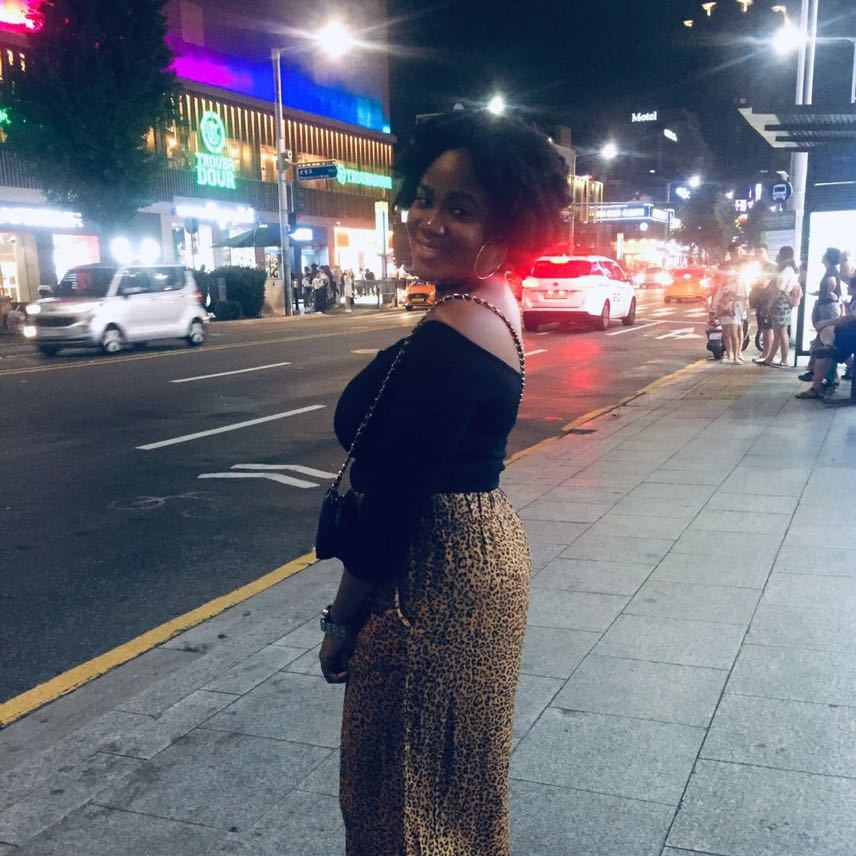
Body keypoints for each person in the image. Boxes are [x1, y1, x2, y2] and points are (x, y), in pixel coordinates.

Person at [319, 110, 570, 855]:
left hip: (432, 575)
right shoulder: (489, 302)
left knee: (398, 795)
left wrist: (341, 623)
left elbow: (394, 506)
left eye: (460, 208)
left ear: (503, 226)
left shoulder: (453, 335)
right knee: (454, 790)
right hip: (475, 557)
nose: (429, 220)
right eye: (424, 197)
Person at [796, 273, 856, 399]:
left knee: (826, 332)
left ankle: (829, 350)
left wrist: (826, 322)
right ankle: (829, 349)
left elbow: (850, 318)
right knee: (824, 348)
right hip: (850, 333)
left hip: (852, 335)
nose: (846, 287)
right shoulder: (852, 299)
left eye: (849, 285)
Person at [758, 246, 800, 367]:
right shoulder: (789, 269)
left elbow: (779, 289)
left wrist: (771, 303)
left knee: (782, 331)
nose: (778, 256)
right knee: (777, 331)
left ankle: (784, 360)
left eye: (780, 253)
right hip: (782, 301)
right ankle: (770, 358)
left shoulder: (786, 270)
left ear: (784, 255)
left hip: (781, 301)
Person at [713, 261, 747, 363]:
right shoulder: (723, 282)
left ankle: (736, 356)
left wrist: (730, 299)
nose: (723, 275)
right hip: (723, 309)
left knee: (734, 334)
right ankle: (729, 355)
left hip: (734, 309)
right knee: (725, 334)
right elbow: (718, 295)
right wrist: (716, 305)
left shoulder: (739, 280)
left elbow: (742, 295)